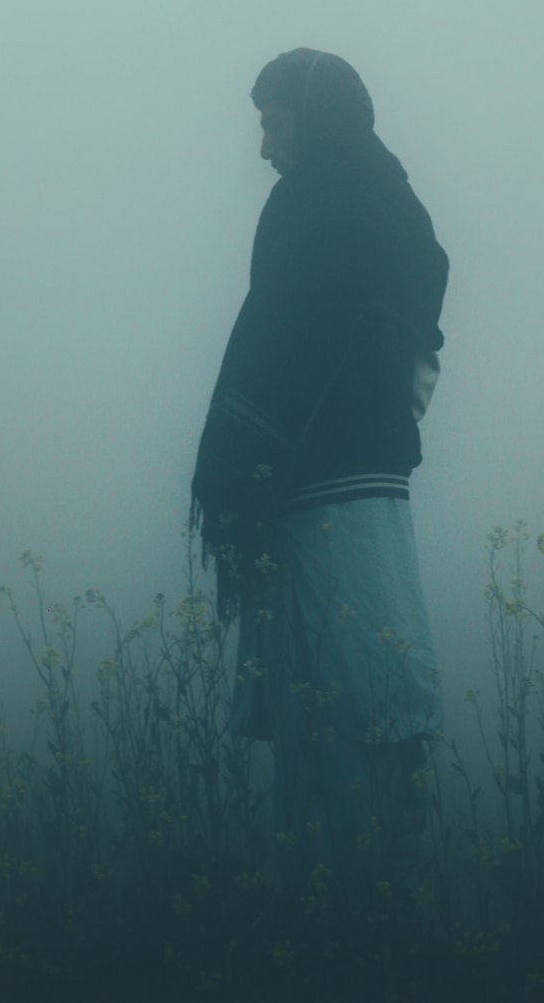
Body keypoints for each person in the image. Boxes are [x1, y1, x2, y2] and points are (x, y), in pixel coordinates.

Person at [191, 48, 448, 917]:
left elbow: (285, 347)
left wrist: (242, 462)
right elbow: (414, 339)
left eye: (274, 123)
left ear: (313, 117)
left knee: (349, 693)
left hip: (325, 487)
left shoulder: (327, 212)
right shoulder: (388, 208)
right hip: (354, 480)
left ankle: (358, 905)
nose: (265, 149)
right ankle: (350, 900)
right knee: (342, 688)